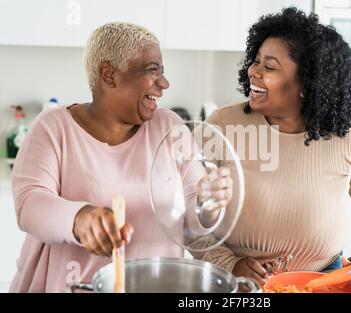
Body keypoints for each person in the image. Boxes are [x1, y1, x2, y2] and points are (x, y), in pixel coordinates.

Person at [9, 22, 232, 292]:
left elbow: (195, 223)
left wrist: (207, 202)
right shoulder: (53, 127)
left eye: (163, 71)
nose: (164, 83)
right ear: (109, 74)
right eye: (152, 71)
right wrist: (80, 218)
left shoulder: (170, 127)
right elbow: (30, 205)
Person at [193, 7, 351, 290]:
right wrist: (230, 264)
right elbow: (188, 217)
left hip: (324, 282)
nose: (254, 71)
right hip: (235, 285)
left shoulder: (350, 139)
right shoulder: (222, 126)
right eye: (256, 61)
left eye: (270, 66)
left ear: (306, 84)